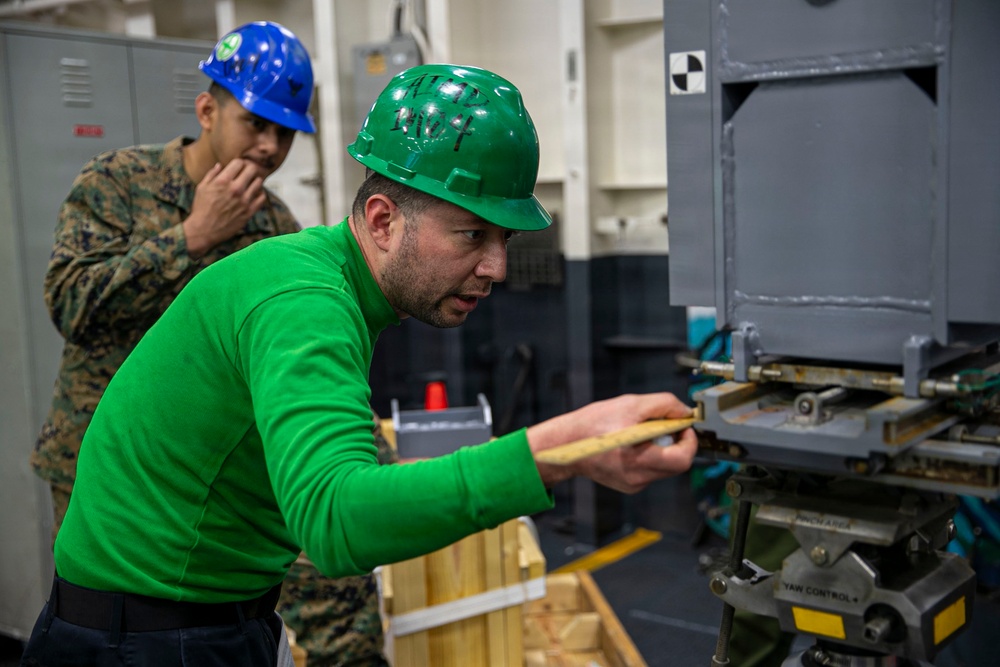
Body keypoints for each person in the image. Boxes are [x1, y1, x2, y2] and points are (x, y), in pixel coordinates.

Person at [19, 62, 700, 667]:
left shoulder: (324, 277)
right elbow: (335, 520)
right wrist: (557, 452)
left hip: (194, 611)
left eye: (504, 239)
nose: (495, 267)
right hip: (144, 639)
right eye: (472, 235)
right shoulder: (304, 299)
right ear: (381, 220)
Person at [28, 21, 390, 666]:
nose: (270, 147)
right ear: (207, 109)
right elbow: (70, 306)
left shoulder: (275, 223)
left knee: (327, 600)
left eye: (284, 133)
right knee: (133, 626)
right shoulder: (117, 183)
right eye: (256, 124)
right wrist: (191, 236)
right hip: (116, 466)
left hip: (235, 472)